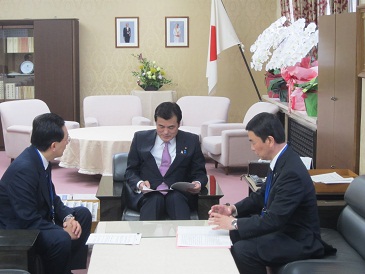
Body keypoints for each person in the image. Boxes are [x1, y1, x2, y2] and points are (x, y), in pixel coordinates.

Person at [208, 112, 326, 274]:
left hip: (298, 239)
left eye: (253, 142)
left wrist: (235, 223)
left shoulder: (291, 172)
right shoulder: (281, 159)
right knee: (232, 235)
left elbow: (274, 220)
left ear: (269, 140)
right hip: (284, 229)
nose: (252, 148)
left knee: (243, 250)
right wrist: (232, 209)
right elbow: (261, 195)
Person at [0, 113, 92, 274]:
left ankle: (67, 267)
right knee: (61, 237)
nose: (67, 143)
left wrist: (68, 218)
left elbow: (52, 198)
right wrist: (62, 231)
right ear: (54, 145)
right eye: (67, 140)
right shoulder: (23, 170)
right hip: (20, 228)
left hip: (39, 216)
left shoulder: (40, 158)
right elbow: (27, 218)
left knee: (82, 215)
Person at [125, 102, 207, 220]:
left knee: (175, 199)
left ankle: (184, 237)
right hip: (149, 194)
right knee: (154, 199)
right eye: (161, 126)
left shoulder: (191, 141)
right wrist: (140, 184)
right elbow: (130, 171)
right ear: (156, 123)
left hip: (179, 194)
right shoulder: (140, 138)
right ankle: (146, 237)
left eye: (171, 127)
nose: (165, 132)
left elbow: (199, 173)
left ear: (179, 124)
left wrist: (197, 184)